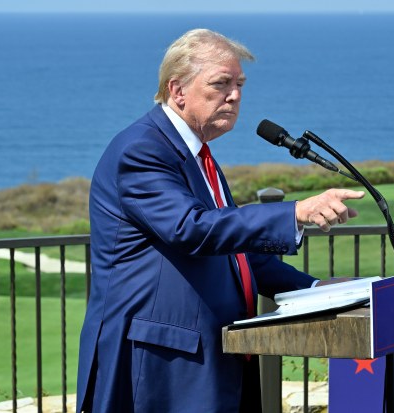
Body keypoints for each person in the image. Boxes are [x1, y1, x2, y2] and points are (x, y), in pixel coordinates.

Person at [76, 28, 365, 413]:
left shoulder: (197, 155)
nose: (234, 95)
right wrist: (293, 212)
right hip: (162, 362)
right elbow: (190, 229)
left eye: (239, 83)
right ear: (177, 90)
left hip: (215, 354)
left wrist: (318, 290)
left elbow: (237, 256)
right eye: (221, 83)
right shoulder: (141, 150)